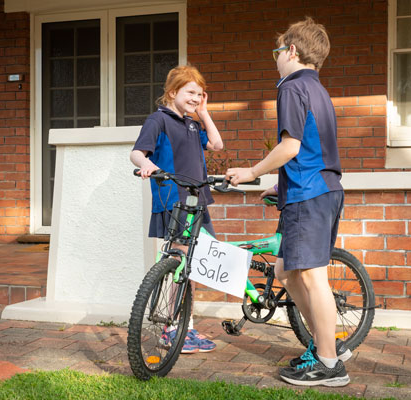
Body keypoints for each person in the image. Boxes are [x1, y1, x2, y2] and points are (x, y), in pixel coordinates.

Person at [226, 17, 350, 387]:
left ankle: (329, 364)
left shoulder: (291, 87)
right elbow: (314, 149)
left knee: (312, 277)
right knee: (285, 272)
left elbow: (291, 146)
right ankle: (327, 346)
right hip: (315, 190)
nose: (275, 59)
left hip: (311, 195)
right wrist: (281, 186)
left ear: (291, 51)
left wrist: (251, 172)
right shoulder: (318, 89)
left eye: (277, 52)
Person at [130, 65, 222, 354]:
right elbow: (136, 152)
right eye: (190, 92)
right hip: (174, 200)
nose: (196, 98)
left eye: (199, 93)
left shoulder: (193, 124)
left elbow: (217, 144)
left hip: (198, 200)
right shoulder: (158, 120)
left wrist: (204, 112)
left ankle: (186, 326)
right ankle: (172, 329)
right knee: (180, 263)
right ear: (172, 92)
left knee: (193, 264)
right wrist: (147, 165)